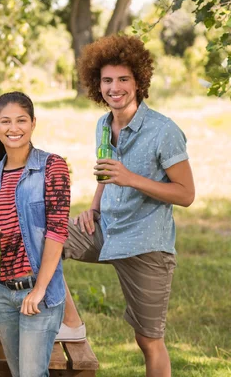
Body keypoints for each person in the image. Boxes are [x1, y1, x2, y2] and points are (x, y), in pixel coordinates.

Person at [57, 35, 195, 377]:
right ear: (96, 84)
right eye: (107, 80)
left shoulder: (164, 131)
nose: (114, 88)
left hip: (146, 243)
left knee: (148, 340)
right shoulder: (103, 125)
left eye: (123, 79)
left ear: (139, 81)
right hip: (104, 227)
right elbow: (107, 174)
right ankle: (71, 322)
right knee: (45, 240)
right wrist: (92, 207)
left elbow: (186, 194)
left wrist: (131, 177)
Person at [0, 92, 70, 377]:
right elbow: (0, 233)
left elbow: (57, 231)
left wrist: (40, 289)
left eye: (21, 121)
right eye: (5, 121)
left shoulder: (52, 167)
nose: (13, 128)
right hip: (1, 293)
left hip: (36, 290)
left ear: (33, 123)